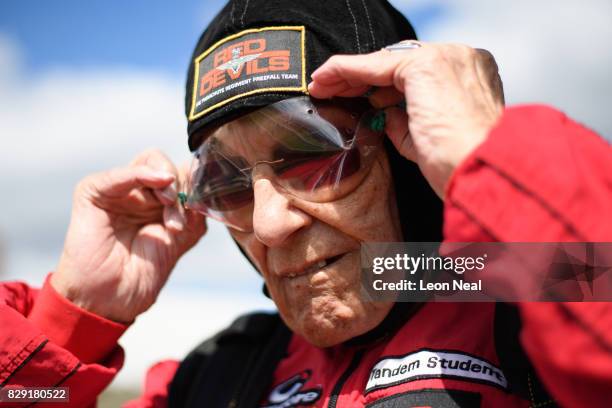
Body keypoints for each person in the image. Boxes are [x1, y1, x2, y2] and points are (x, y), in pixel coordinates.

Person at [1, 0, 611, 407]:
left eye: (310, 155)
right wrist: (74, 320)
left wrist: (487, 148)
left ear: (408, 149)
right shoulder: (217, 377)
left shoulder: (521, 297)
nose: (269, 224)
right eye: (229, 183)